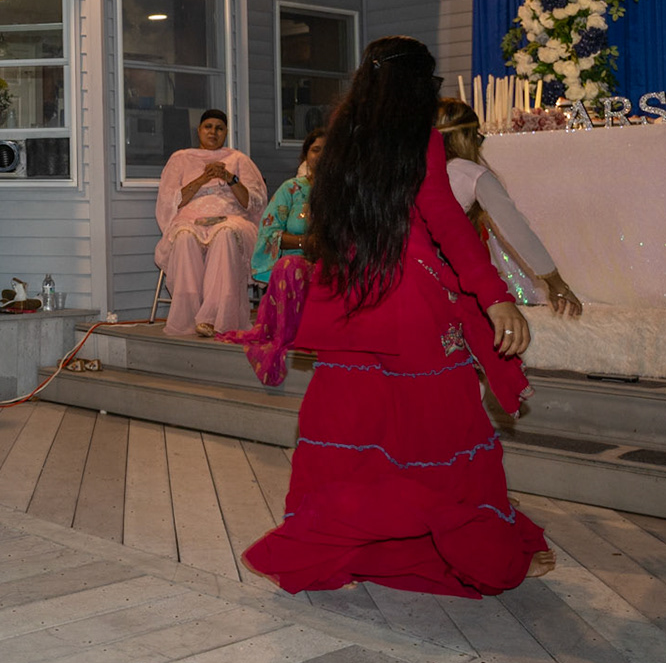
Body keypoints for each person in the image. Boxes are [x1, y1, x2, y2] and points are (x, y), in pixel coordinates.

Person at [243, 36, 551, 598]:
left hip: (351, 304)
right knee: (437, 436)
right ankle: (465, 546)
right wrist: (495, 295)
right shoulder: (420, 141)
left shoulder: (340, 143)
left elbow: (326, 231)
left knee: (356, 433)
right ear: (417, 86)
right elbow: (449, 225)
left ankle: (355, 543)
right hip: (412, 306)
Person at [434, 99, 583, 316]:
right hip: (440, 281)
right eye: (477, 136)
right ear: (464, 137)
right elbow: (516, 230)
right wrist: (558, 285)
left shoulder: (416, 170)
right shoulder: (471, 173)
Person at [154, 109, 267, 336]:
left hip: (232, 219)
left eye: (219, 128)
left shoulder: (238, 159)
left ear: (226, 133)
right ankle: (188, 317)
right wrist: (203, 178)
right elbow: (170, 202)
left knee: (225, 234)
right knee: (184, 237)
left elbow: (253, 203)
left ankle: (214, 318)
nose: (213, 132)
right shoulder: (181, 158)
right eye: (208, 127)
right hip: (191, 220)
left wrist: (229, 178)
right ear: (199, 130)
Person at [251, 128, 324, 285]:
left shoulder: (345, 191)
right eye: (316, 150)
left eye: (328, 150)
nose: (322, 155)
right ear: (305, 156)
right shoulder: (291, 189)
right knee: (291, 267)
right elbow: (268, 233)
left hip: (333, 262)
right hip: (294, 264)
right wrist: (304, 242)